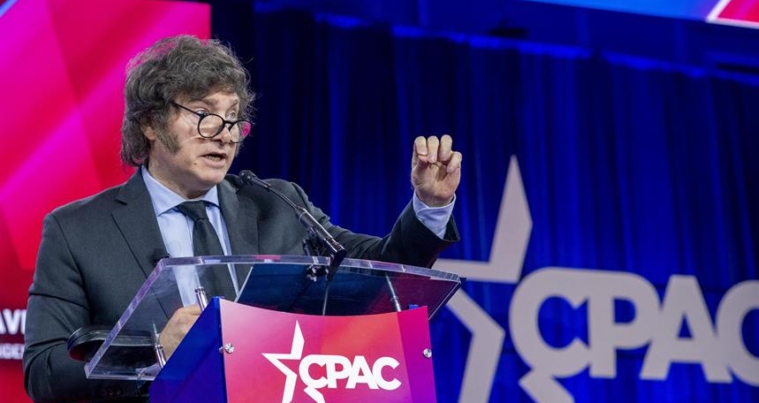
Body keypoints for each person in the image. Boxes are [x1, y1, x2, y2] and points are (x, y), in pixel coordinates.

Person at [22, 35, 462, 402]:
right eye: (205, 115)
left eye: (233, 120)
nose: (225, 134)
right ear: (151, 123)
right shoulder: (77, 230)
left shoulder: (279, 204)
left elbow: (378, 268)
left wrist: (429, 205)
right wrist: (154, 352)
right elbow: (43, 374)